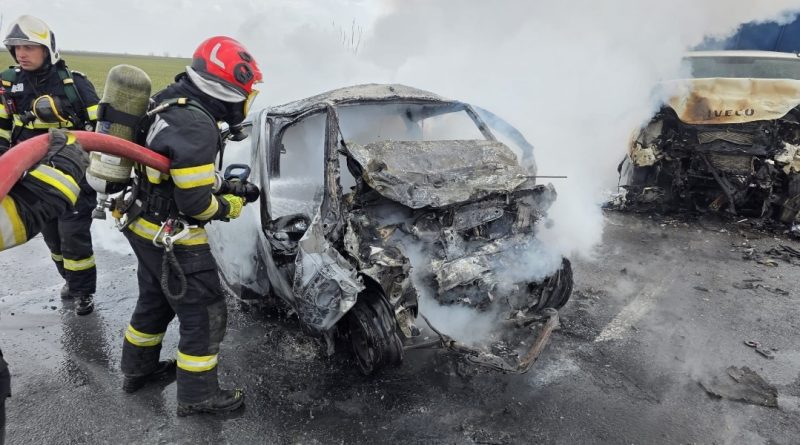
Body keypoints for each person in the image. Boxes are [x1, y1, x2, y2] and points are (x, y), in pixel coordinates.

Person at [119, 36, 261, 416]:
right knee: (204, 312)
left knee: (154, 299)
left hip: (143, 224)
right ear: (229, 90)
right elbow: (196, 204)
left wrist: (225, 184)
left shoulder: (170, 101)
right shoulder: (197, 124)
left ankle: (138, 370)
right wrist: (228, 206)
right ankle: (198, 395)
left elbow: (179, 169)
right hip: (175, 236)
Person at [0, 15, 100, 315]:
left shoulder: (75, 84)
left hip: (74, 174)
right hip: (34, 179)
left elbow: (101, 129)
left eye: (29, 47)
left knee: (74, 237)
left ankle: (83, 292)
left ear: (47, 49)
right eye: (16, 48)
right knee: (52, 236)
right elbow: (2, 129)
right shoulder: (9, 83)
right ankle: (68, 278)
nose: (21, 54)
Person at [0, 128, 89, 445]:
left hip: (43, 166)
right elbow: (15, 220)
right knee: (59, 243)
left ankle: (82, 290)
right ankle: (73, 282)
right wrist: (61, 170)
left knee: (75, 242)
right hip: (45, 170)